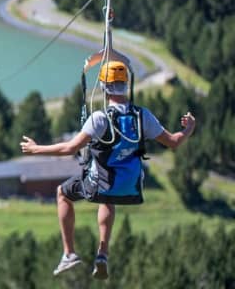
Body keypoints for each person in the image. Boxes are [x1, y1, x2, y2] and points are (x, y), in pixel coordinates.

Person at [20, 61, 196, 280]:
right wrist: (188, 129)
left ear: (103, 87)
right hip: (129, 185)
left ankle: (69, 253)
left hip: (102, 182)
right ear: (126, 85)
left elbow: (70, 148)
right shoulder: (143, 116)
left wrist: (36, 149)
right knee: (108, 198)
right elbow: (173, 142)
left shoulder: (100, 118)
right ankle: (102, 253)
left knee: (63, 193)